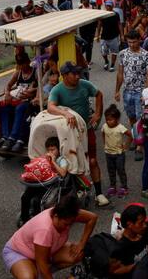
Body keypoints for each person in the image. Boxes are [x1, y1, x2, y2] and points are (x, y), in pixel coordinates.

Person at [46, 62, 110, 207]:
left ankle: (99, 193)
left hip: (87, 129)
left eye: (78, 73)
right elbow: (50, 107)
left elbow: (98, 94)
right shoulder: (57, 90)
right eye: (73, 74)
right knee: (72, 161)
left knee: (92, 160)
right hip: (69, 133)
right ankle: (79, 190)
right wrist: (65, 113)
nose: (77, 76)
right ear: (64, 76)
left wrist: (98, 113)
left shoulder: (85, 84)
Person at [3, 194, 98, 279]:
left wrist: (81, 244)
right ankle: (30, 271)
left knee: (78, 254)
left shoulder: (68, 213)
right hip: (19, 252)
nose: (68, 227)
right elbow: (42, 263)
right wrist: (44, 270)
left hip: (47, 251)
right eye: (65, 224)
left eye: (71, 224)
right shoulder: (45, 230)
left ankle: (38, 273)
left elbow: (92, 218)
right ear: (56, 216)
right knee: (29, 277)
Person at [116, 30, 148, 160]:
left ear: (140, 40)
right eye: (129, 42)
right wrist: (117, 90)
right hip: (127, 91)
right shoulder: (123, 54)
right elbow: (120, 73)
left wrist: (145, 92)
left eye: (134, 42)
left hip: (140, 92)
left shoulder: (147, 55)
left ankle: (140, 146)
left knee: (141, 118)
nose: (132, 44)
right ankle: (136, 137)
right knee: (131, 117)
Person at [19, 136, 70, 224]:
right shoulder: (44, 158)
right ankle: (25, 219)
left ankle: (37, 221)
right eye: (48, 150)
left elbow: (63, 173)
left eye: (53, 150)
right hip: (40, 182)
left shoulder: (62, 160)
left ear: (58, 150)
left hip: (51, 184)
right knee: (25, 196)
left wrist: (53, 161)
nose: (50, 152)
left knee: (37, 201)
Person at [0, 52, 38, 154]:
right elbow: (8, 85)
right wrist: (7, 94)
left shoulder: (35, 72)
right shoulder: (18, 73)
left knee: (20, 108)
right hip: (17, 99)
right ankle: (5, 136)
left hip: (29, 101)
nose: (22, 66)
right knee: (4, 108)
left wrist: (32, 91)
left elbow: (41, 86)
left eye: (23, 63)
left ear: (28, 62)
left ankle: (14, 138)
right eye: (19, 64)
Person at [111, 204, 148, 277]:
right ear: (129, 224)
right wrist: (140, 265)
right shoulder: (120, 247)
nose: (145, 225)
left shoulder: (147, 229)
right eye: (141, 223)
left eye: (144, 221)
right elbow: (115, 271)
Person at [101, 104, 132, 198]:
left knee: (120, 170)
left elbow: (130, 135)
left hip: (119, 154)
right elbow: (103, 133)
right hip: (108, 153)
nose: (108, 122)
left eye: (111, 120)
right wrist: (104, 144)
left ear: (117, 119)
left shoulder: (120, 127)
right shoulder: (105, 126)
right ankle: (113, 186)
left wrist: (126, 146)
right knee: (111, 170)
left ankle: (124, 187)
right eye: (107, 119)